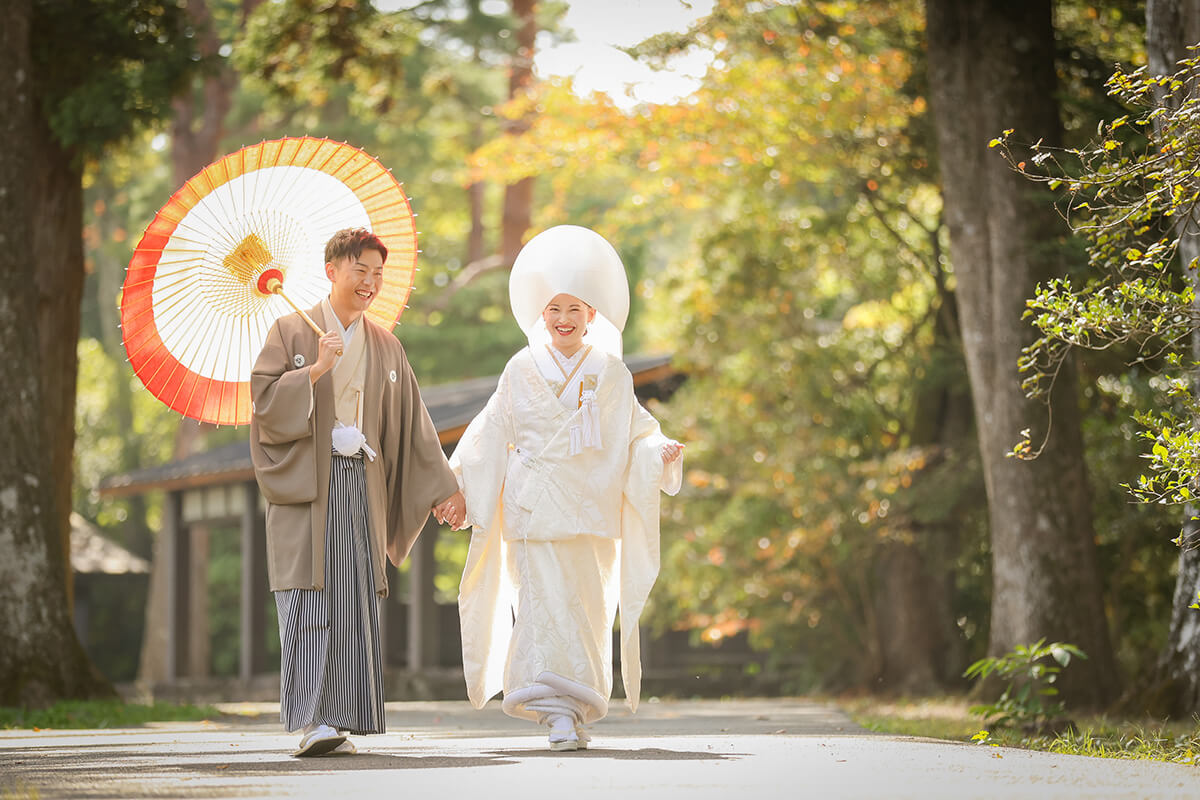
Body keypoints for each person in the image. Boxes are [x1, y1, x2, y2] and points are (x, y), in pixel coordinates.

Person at [450, 225, 683, 751]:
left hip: (590, 512)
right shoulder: (519, 369)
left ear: (591, 315)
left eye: (573, 309)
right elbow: (488, 434)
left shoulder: (611, 373)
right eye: (553, 309)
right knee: (541, 609)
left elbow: (639, 432)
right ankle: (555, 712)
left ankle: (575, 710)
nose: (562, 320)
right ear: (541, 315)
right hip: (533, 511)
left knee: (587, 611)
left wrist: (657, 453)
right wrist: (457, 486)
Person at [250, 227, 465, 757]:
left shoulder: (386, 344)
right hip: (309, 484)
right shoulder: (289, 333)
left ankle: (342, 717)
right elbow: (263, 408)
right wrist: (317, 370)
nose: (370, 282)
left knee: (352, 596)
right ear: (332, 271)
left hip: (360, 479)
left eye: (377, 273)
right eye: (359, 270)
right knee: (307, 594)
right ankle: (310, 719)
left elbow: (414, 423)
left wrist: (444, 488)